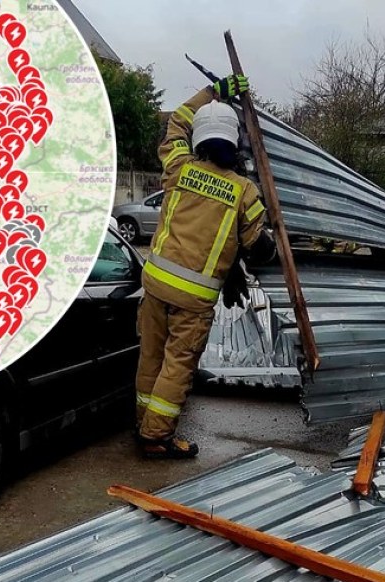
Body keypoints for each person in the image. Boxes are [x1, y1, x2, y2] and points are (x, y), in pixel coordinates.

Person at [135, 73, 277, 459]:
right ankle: (156, 437)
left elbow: (176, 120)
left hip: (154, 285)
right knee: (177, 365)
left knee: (151, 357)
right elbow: (258, 248)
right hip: (194, 298)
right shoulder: (243, 191)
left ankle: (144, 423)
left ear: (199, 139)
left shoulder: (179, 167)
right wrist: (272, 235)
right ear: (234, 142)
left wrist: (214, 91)